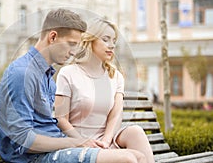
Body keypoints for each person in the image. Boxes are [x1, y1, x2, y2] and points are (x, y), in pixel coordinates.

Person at [0, 9, 146, 163]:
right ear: (53, 37)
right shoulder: (23, 73)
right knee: (127, 159)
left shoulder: (46, 75)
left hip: (54, 150)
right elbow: (22, 140)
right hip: (33, 158)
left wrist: (78, 143)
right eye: (71, 44)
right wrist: (75, 142)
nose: (74, 52)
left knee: (139, 156)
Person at [55, 18, 155, 163]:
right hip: (77, 143)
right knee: (130, 159)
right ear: (91, 41)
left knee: (136, 132)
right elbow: (61, 118)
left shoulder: (116, 76)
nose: (112, 45)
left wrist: (106, 142)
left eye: (114, 40)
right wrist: (83, 142)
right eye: (106, 39)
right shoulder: (68, 73)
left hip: (106, 141)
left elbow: (116, 114)